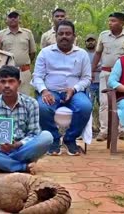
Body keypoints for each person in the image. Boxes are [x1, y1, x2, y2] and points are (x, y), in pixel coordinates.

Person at [0, 65, 53, 174]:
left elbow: (34, 133)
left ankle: (0, 164)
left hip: (22, 148)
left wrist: (15, 145)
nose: (7, 85)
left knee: (46, 137)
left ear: (19, 83)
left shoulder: (31, 103)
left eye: (11, 81)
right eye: (3, 82)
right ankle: (22, 167)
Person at [31, 20, 92, 156]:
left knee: (85, 107)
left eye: (68, 33)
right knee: (42, 107)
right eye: (61, 33)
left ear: (74, 36)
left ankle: (70, 139)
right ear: (56, 36)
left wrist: (74, 89)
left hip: (74, 92)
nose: (64, 36)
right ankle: (54, 139)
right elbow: (37, 76)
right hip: (51, 91)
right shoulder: (45, 53)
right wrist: (44, 91)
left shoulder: (82, 54)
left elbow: (87, 78)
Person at [92, 12, 124, 142]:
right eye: (109, 21)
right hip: (106, 73)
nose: (110, 23)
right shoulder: (103, 35)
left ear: (121, 23)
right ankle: (104, 131)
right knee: (104, 102)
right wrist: (92, 71)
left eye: (113, 21)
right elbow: (98, 53)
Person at [0, 11, 36, 95]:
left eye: (15, 17)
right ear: (6, 19)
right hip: (7, 73)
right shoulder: (1, 35)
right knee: (8, 97)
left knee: (24, 98)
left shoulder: (27, 33)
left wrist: (22, 63)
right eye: (10, 17)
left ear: (19, 19)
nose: (13, 19)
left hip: (24, 72)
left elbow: (32, 53)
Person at [85, 34, 100, 104]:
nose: (90, 42)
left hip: (101, 82)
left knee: (103, 105)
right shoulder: (83, 54)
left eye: (92, 40)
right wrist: (95, 67)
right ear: (85, 42)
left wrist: (90, 68)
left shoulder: (100, 53)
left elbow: (103, 67)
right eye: (88, 41)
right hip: (89, 84)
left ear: (96, 42)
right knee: (89, 104)